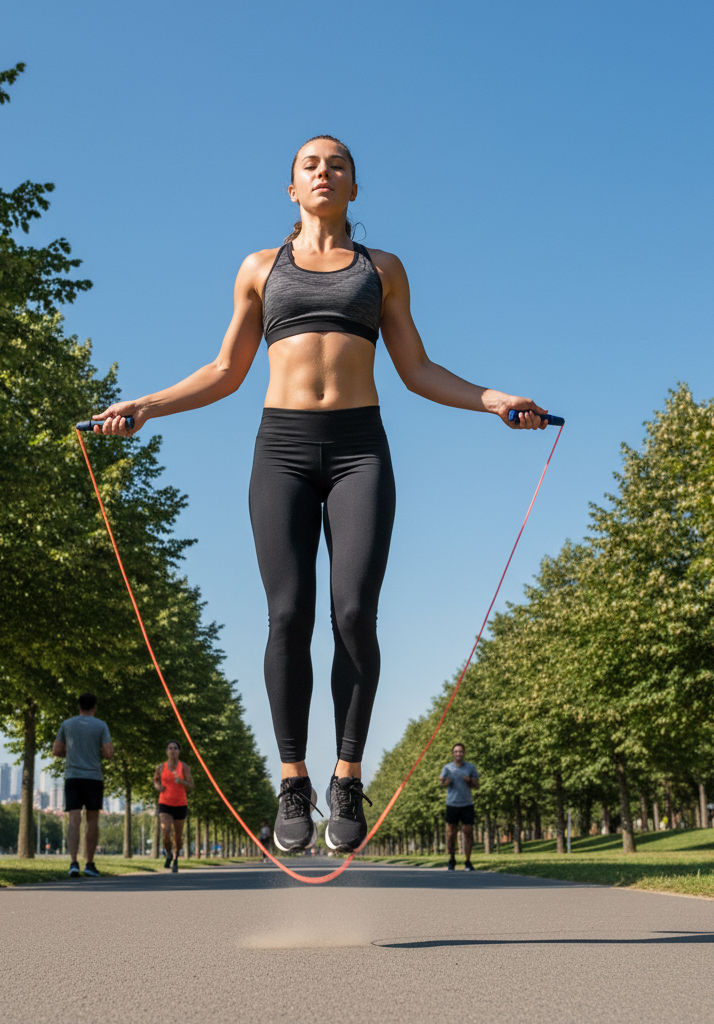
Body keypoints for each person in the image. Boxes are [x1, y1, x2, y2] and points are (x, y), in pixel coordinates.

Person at [91, 135, 549, 855]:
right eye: (311, 164)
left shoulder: (383, 270)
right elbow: (224, 370)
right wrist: (146, 405)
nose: (324, 172)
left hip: (360, 448)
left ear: (354, 189)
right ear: (291, 187)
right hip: (282, 448)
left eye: (337, 164)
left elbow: (419, 368)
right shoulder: (259, 268)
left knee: (353, 611)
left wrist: (493, 399)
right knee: (286, 615)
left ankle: (347, 776)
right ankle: (294, 779)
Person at [52, 693, 114, 878]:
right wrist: (96, 751)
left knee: (74, 820)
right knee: (92, 821)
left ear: (79, 706)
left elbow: (56, 750)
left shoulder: (67, 724)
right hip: (93, 777)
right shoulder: (101, 725)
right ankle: (89, 863)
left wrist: (71, 752)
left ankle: (73, 863)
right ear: (95, 707)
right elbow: (109, 752)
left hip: (73, 777)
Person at [153, 740, 194, 873]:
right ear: (167, 751)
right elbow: (156, 780)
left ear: (178, 751)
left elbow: (191, 786)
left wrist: (181, 781)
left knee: (178, 836)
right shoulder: (161, 767)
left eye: (175, 748)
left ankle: (175, 859)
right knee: (165, 831)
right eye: (170, 748)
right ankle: (168, 853)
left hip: (180, 804)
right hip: (164, 802)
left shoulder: (184, 767)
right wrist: (159, 787)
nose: (172, 750)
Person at [440, 743, 479, 870]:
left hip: (467, 803)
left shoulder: (470, 767)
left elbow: (477, 785)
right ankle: (452, 859)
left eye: (460, 751)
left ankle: (467, 861)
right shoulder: (447, 768)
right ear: (453, 754)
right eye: (456, 752)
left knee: (468, 832)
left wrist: (470, 781)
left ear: (464, 753)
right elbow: (442, 783)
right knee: (451, 833)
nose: (458, 754)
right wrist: (445, 782)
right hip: (452, 804)